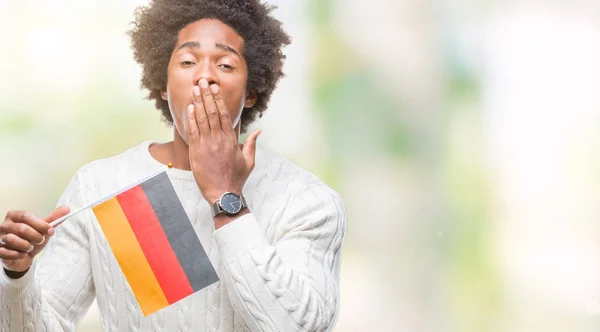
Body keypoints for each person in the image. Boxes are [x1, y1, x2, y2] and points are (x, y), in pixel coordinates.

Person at [0, 0, 346, 331]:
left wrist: (226, 196)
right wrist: (17, 274)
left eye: (225, 65)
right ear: (163, 85)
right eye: (187, 62)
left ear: (251, 91)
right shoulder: (104, 185)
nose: (204, 78)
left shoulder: (306, 199)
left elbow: (299, 326)